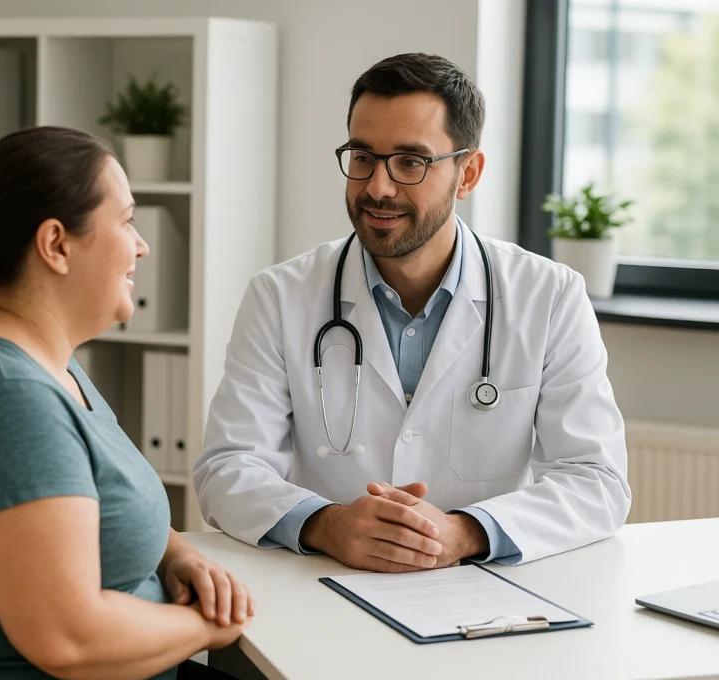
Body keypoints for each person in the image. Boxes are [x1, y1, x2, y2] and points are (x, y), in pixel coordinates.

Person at [193, 52, 631, 573]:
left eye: (410, 162)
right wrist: (328, 525)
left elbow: (596, 481)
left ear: (467, 174)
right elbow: (227, 468)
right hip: (325, 581)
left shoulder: (549, 296)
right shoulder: (281, 295)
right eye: (363, 157)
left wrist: (464, 533)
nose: (378, 187)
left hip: (482, 589)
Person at [0, 125, 254, 680]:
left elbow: (108, 506)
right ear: (56, 245)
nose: (141, 245)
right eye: (126, 221)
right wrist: (208, 628)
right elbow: (68, 639)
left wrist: (178, 557)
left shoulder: (48, 367)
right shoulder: (5, 399)